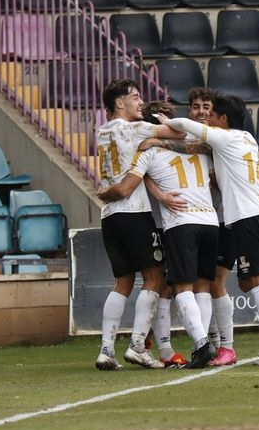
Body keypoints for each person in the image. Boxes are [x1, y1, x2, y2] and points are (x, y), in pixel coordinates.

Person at [151, 94, 259, 366]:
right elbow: (196, 146)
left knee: (256, 283)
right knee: (251, 282)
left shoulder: (225, 137)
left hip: (246, 218)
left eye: (212, 114)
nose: (207, 117)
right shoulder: (247, 138)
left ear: (223, 118)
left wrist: (163, 123)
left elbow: (187, 125)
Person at [102, 100, 219, 369]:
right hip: (207, 220)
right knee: (190, 285)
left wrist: (105, 192)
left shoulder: (146, 151)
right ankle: (173, 346)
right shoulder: (198, 148)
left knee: (171, 286)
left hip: (176, 223)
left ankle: (192, 345)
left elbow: (128, 185)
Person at [93, 79, 186, 371]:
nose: (141, 103)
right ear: (119, 103)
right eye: (135, 97)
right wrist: (163, 124)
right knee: (155, 279)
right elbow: (179, 133)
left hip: (110, 215)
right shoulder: (134, 128)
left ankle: (106, 350)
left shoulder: (102, 132)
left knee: (122, 281)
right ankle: (137, 346)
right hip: (135, 212)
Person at [186, 87, 238, 366]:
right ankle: (213, 343)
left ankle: (225, 346)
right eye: (196, 106)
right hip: (199, 219)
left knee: (217, 282)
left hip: (223, 218)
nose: (202, 111)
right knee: (200, 283)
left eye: (207, 106)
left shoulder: (220, 139)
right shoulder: (189, 138)